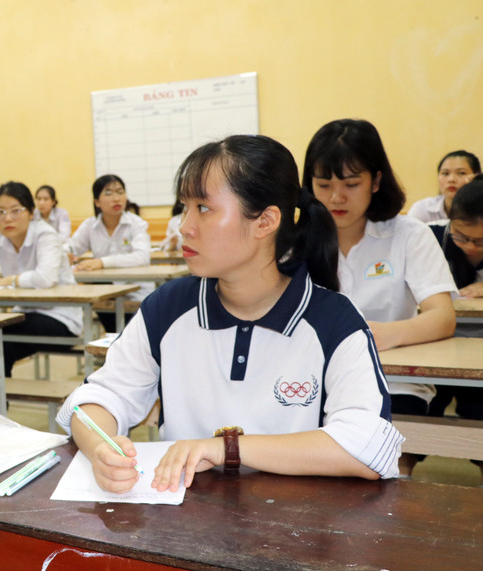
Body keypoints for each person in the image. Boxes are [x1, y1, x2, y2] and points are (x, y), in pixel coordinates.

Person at [56, 134, 402, 494]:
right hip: (185, 521)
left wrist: (226, 448)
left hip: (295, 526)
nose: (184, 226)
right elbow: (95, 401)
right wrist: (101, 449)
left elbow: (366, 447)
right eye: (184, 207)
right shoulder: (169, 307)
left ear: (265, 222)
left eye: (203, 208)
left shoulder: (333, 320)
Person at [304, 118, 455, 477]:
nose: (336, 197)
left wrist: (380, 335)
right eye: (323, 185)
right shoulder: (299, 240)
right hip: (313, 380)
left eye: (351, 184)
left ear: (376, 180)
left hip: (393, 379)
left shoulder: (409, 235)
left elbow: (442, 316)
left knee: (380, 465)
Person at [0, 181, 82, 377]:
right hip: (24, 314)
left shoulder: (45, 235)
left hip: (59, 317)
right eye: (0, 212)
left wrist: (8, 280)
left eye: (15, 211)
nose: (7, 218)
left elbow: (45, 278)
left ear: (30, 212)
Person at [426, 174, 483, 487]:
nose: (469, 246)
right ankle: (400, 470)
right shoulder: (430, 239)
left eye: (482, 241)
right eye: (461, 235)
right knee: (413, 405)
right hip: (435, 341)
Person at [66, 174, 153, 331]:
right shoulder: (90, 225)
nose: (116, 198)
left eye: (120, 192)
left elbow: (142, 256)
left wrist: (102, 262)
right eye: (108, 193)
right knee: (95, 289)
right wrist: (66, 254)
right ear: (97, 202)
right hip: (108, 294)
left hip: (137, 293)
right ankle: (114, 339)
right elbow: (71, 247)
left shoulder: (136, 223)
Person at [408, 150, 481, 223]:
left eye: (461, 173)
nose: (451, 179)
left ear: (476, 177)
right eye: (445, 173)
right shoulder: (422, 209)